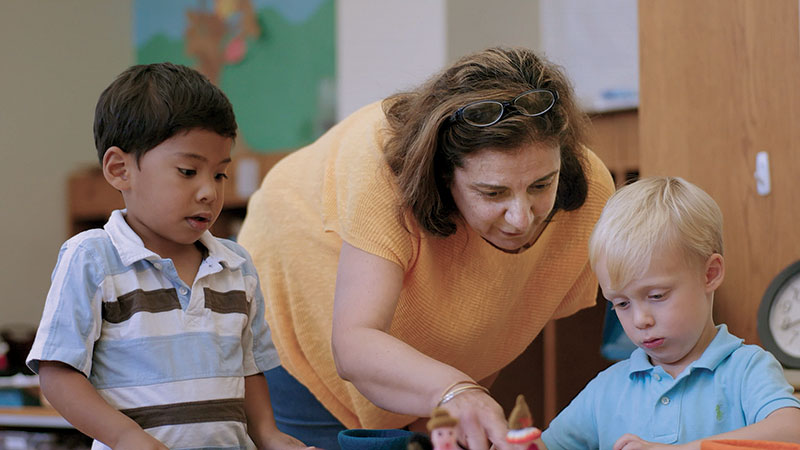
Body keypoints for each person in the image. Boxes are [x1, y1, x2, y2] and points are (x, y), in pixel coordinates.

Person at [237, 46, 616, 450]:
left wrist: (456, 396)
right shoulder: (384, 173)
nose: (521, 218)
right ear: (443, 175)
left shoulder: (589, 190)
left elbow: (496, 322)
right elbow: (353, 344)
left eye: (541, 185)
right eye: (493, 192)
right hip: (298, 307)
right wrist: (452, 391)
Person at [26, 63, 310, 450]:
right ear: (120, 169)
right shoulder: (92, 257)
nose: (209, 191)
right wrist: (126, 437)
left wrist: (268, 435)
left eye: (220, 175)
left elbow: (249, 369)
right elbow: (58, 373)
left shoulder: (236, 264)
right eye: (188, 171)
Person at [538, 177, 800, 449]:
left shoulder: (747, 370)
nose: (641, 320)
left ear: (710, 274)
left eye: (656, 296)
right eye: (622, 304)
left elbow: (792, 431)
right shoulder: (605, 390)